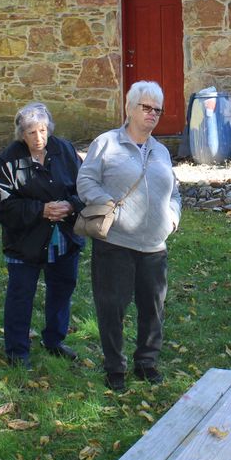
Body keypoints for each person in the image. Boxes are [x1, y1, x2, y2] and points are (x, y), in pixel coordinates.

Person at [77, 81, 181, 391]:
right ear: (129, 108)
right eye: (146, 107)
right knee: (113, 308)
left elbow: (175, 192)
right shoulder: (107, 144)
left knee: (153, 308)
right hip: (116, 243)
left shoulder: (161, 151)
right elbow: (86, 181)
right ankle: (115, 368)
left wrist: (172, 219)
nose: (152, 114)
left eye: (157, 110)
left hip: (154, 245)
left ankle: (146, 362)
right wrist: (110, 208)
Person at [0, 102, 85, 368]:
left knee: (61, 290)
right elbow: (4, 207)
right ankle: (17, 351)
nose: (39, 137)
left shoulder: (64, 150)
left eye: (43, 131)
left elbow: (86, 187)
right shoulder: (8, 160)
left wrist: (70, 205)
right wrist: (41, 210)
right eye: (31, 132)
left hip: (64, 236)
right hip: (26, 241)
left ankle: (54, 340)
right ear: (22, 134)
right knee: (21, 295)